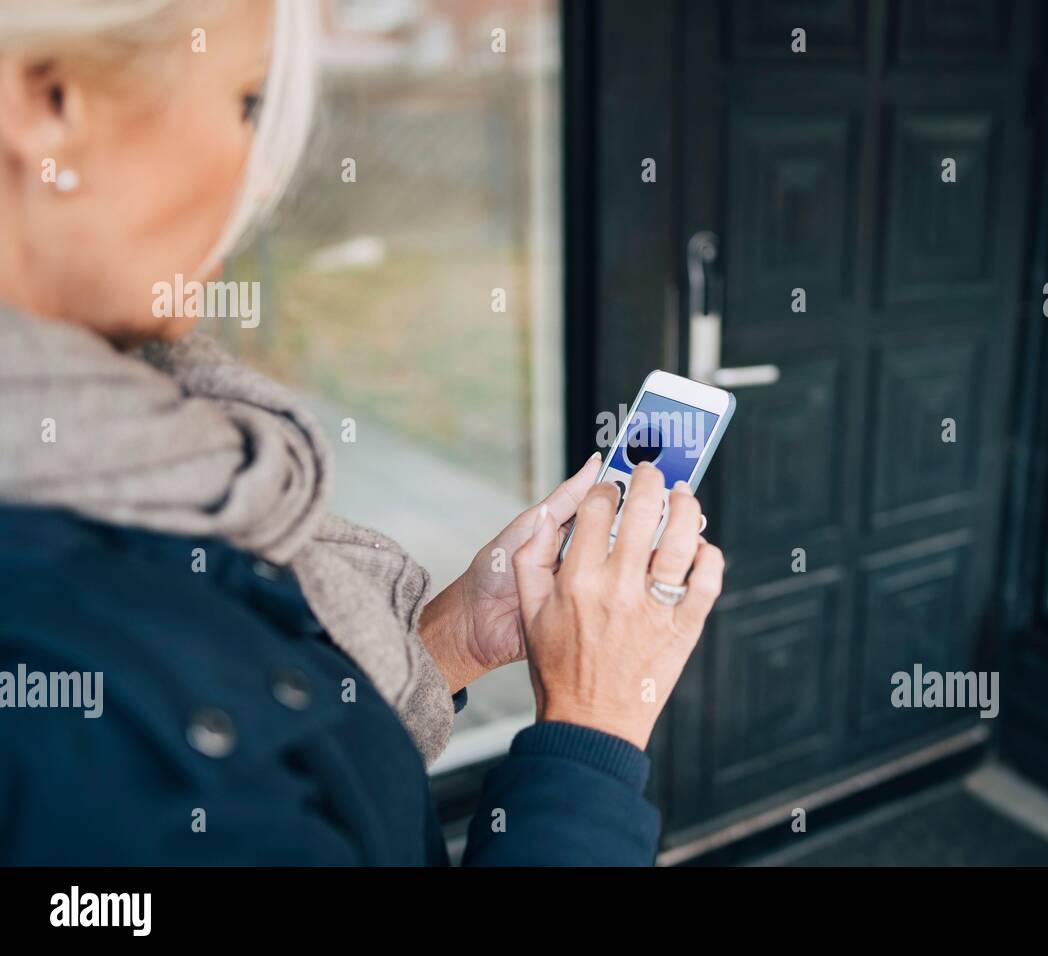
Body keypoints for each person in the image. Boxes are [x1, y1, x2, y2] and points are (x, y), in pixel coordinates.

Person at [0, 0, 724, 865]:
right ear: (46, 104)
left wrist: (453, 640)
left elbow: (292, 761)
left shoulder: (135, 460)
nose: (261, 180)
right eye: (244, 103)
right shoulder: (65, 680)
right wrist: (594, 726)